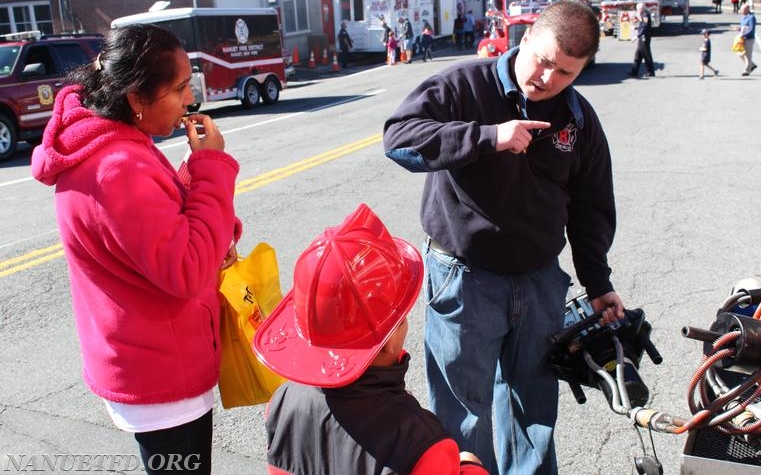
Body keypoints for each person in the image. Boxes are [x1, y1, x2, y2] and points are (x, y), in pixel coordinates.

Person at [383, 0, 625, 475]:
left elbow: (591, 207)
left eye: (566, 73)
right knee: (461, 416)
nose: (548, 79)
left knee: (533, 414)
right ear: (527, 36)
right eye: (544, 61)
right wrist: (487, 136)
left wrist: (598, 284)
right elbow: (399, 139)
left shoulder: (578, 120)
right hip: (463, 278)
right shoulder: (464, 84)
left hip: (538, 283)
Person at [31, 24, 241, 474]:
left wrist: (204, 203)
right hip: (162, 375)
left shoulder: (107, 144)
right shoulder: (117, 168)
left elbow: (151, 233)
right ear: (136, 99)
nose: (191, 100)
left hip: (146, 360)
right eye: (180, 88)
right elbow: (186, 269)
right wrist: (210, 170)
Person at [253, 204, 490, 475]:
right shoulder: (420, 442)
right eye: (400, 317)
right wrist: (468, 468)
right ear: (388, 342)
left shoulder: (282, 402)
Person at [628, 2, 656, 78]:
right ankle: (634, 71)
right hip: (642, 37)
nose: (637, 11)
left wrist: (637, 36)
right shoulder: (643, 14)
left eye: (637, 9)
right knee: (638, 55)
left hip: (644, 38)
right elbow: (641, 26)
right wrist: (636, 28)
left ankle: (650, 72)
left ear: (640, 9)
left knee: (646, 54)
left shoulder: (645, 14)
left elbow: (644, 27)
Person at [738, 3, 758, 76]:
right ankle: (751, 65)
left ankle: (746, 70)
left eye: (742, 10)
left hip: (749, 38)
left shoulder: (751, 17)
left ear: (747, 9)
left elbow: (751, 29)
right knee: (740, 53)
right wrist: (739, 29)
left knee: (748, 55)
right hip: (743, 38)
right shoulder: (744, 17)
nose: (741, 11)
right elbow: (743, 26)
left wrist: (744, 35)